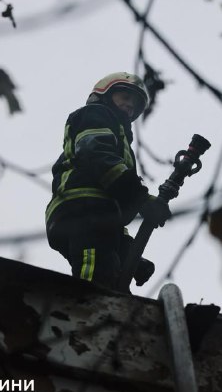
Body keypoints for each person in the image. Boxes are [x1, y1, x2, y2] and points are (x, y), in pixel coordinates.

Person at [45, 72, 171, 290]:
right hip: (83, 208)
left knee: (109, 273)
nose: (130, 105)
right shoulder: (95, 114)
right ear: (104, 93)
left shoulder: (120, 140)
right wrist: (141, 199)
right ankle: (86, 312)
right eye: (125, 96)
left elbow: (110, 223)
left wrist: (131, 257)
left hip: (96, 214)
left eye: (136, 103)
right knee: (95, 280)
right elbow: (97, 156)